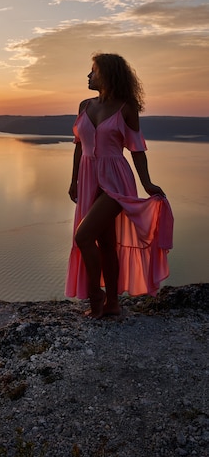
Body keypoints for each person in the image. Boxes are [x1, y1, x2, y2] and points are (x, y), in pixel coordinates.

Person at [65, 53, 173, 319]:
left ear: (108, 75)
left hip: (116, 179)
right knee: (107, 243)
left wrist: (146, 183)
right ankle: (113, 304)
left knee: (83, 236)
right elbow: (79, 148)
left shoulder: (126, 107)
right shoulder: (84, 106)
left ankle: (96, 295)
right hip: (90, 177)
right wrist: (74, 179)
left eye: (93, 71)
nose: (88, 76)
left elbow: (137, 149)